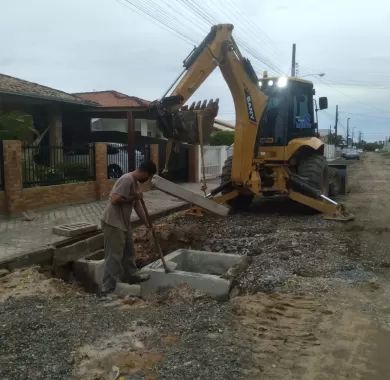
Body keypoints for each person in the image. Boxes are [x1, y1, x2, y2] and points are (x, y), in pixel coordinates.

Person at [100, 160, 157, 296]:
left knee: (129, 252)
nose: (147, 180)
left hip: (124, 223)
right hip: (113, 223)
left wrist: (147, 223)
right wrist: (133, 197)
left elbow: (137, 205)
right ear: (144, 172)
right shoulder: (126, 179)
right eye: (148, 177)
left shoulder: (135, 183)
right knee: (114, 257)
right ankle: (106, 290)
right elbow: (114, 199)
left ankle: (131, 276)